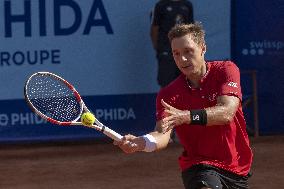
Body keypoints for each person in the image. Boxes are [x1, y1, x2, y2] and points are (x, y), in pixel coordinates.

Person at [115, 23, 253, 189]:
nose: (182, 59)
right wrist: (141, 142)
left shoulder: (226, 70)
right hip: (199, 166)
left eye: (188, 51)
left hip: (238, 167)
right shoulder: (168, 95)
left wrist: (187, 116)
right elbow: (162, 134)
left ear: (203, 48)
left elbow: (227, 112)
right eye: (176, 54)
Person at [150, 0, 194, 88]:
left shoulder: (187, 5)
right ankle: (164, 101)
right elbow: (154, 29)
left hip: (183, 52)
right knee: (166, 83)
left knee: (186, 83)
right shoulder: (161, 5)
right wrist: (160, 48)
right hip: (166, 51)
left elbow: (191, 29)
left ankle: (183, 102)